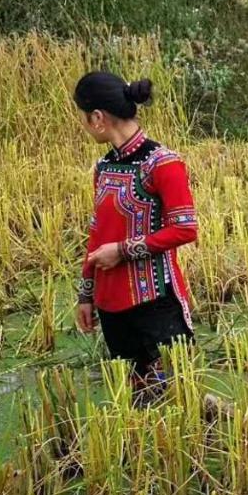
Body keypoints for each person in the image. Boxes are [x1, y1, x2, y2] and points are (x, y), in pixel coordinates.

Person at [74, 72, 199, 402]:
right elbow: (96, 232)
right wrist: (86, 294)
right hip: (111, 306)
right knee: (136, 401)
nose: (84, 127)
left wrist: (123, 250)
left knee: (177, 399)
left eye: (84, 119)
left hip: (156, 304)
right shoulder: (103, 167)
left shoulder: (163, 163)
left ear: (98, 118)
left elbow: (186, 228)